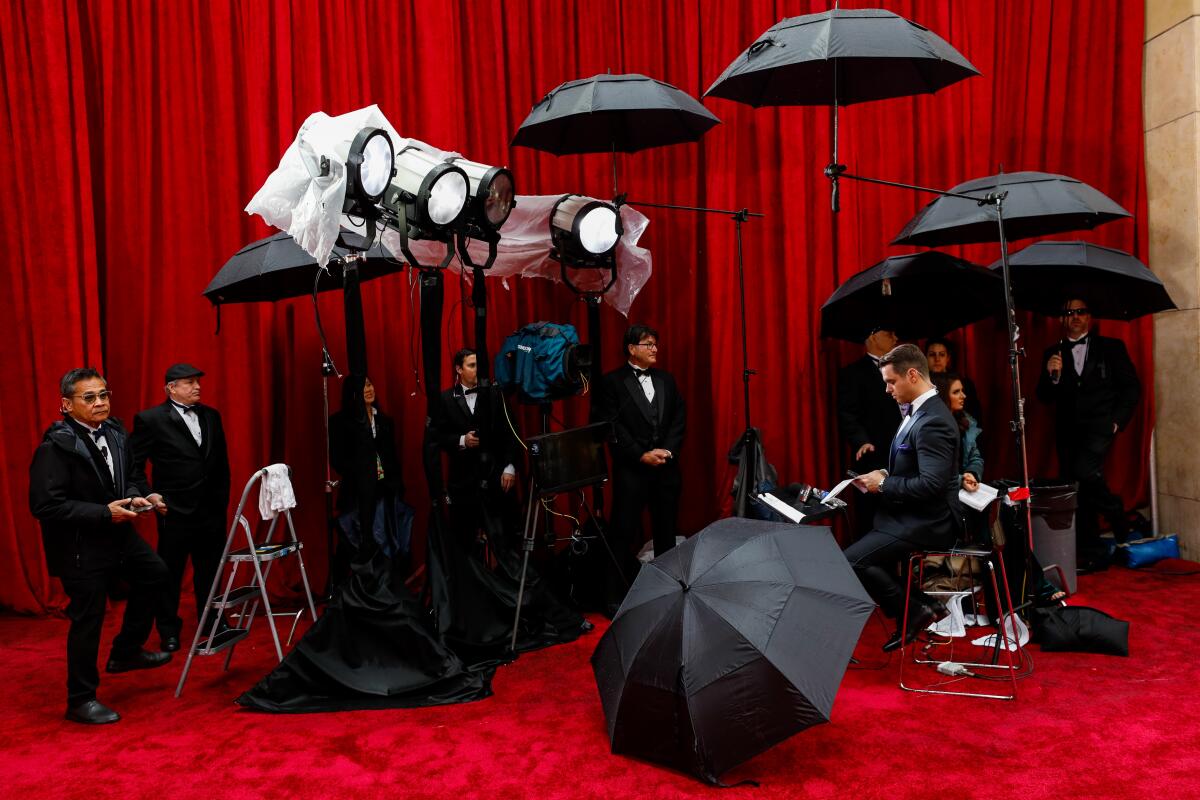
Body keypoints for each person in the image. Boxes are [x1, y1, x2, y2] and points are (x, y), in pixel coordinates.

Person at [29, 367, 172, 724]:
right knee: (88, 618)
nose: (99, 403)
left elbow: (133, 477)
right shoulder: (54, 447)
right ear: (66, 405)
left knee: (155, 574)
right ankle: (80, 700)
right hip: (81, 546)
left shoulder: (117, 432)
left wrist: (140, 496)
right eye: (88, 397)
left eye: (103, 395)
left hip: (120, 536)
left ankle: (125, 651)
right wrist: (103, 513)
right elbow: (44, 505)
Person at [844, 345, 962, 652]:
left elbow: (931, 485)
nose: (887, 389)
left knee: (851, 561)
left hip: (930, 521)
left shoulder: (934, 419)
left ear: (912, 375)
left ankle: (914, 610)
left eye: (891, 381)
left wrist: (883, 485)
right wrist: (884, 474)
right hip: (907, 516)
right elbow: (914, 466)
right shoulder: (919, 410)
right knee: (858, 555)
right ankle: (916, 608)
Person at [129, 363, 231, 652]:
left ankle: (212, 621)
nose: (197, 387)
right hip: (174, 512)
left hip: (211, 511)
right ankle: (168, 629)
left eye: (197, 381)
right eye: (189, 382)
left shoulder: (212, 416)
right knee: (169, 572)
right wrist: (150, 496)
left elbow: (221, 464)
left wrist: (221, 501)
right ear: (171, 388)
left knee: (211, 570)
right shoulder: (150, 420)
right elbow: (134, 466)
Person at [1036, 297, 1140, 570]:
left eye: (1081, 311)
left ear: (1090, 316)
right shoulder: (1053, 352)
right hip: (1067, 432)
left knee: (1084, 471)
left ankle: (1117, 512)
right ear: (1061, 319)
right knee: (1075, 488)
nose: (1075, 317)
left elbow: (1131, 387)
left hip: (1100, 428)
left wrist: (1117, 421)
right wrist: (1052, 376)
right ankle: (1091, 549)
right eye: (1069, 312)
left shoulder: (1111, 347)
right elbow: (1043, 397)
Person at [428, 349, 522, 549]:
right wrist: (462, 440)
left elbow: (511, 431)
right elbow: (437, 437)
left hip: (497, 477)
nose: (477, 370)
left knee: (506, 537)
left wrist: (510, 466)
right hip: (463, 483)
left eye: (478, 365)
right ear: (458, 369)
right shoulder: (444, 399)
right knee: (466, 541)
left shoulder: (495, 393)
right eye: (471, 365)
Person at [330, 375, 409, 567]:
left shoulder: (385, 421)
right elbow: (337, 460)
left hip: (384, 491)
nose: (368, 389)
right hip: (356, 493)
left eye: (370, 384)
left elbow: (392, 458)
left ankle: (386, 583)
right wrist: (362, 471)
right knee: (353, 543)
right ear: (351, 393)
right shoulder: (339, 422)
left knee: (384, 540)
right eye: (362, 386)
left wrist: (395, 485)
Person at [837, 326, 902, 538]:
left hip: (902, 456)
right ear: (873, 336)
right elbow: (848, 414)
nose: (895, 337)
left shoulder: (903, 369)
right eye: (889, 333)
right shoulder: (853, 373)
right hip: (872, 457)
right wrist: (861, 441)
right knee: (872, 521)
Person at [924, 337, 983, 424]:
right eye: (932, 354)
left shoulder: (964, 383)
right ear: (925, 357)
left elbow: (975, 413)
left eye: (942, 354)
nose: (937, 359)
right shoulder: (921, 384)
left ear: (948, 358)